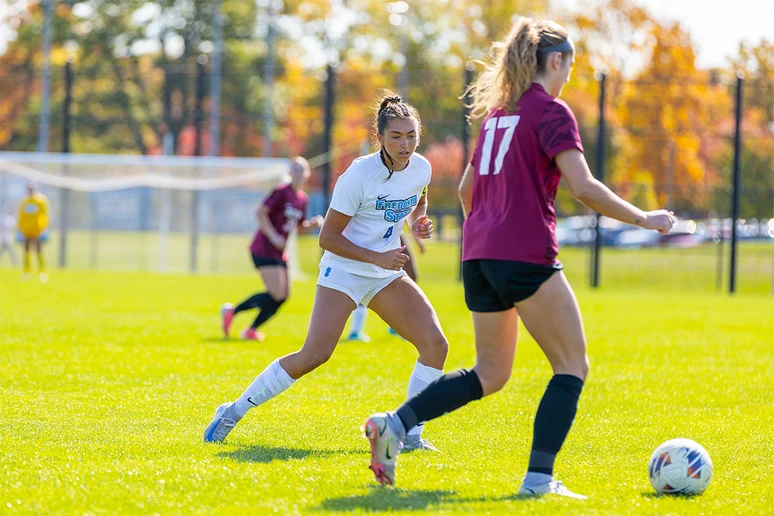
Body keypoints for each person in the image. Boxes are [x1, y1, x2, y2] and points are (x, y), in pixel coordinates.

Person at [363, 18, 676, 494]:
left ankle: (394, 423)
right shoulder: (551, 111)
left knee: (489, 373)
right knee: (572, 365)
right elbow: (583, 186)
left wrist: (486, 233)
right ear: (556, 61)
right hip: (525, 253)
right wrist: (644, 218)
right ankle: (538, 480)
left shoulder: (497, 115)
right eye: (569, 66)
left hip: (479, 257)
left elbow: (467, 190)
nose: (569, 75)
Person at [205, 93, 449, 451]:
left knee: (435, 345)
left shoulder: (421, 168)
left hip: (384, 273)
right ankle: (232, 411)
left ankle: (411, 435)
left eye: (411, 135)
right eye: (396, 136)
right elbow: (328, 238)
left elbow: (418, 201)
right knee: (314, 354)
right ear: (380, 137)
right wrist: (377, 257)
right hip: (345, 270)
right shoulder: (359, 175)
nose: (405, 144)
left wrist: (419, 222)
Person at [220, 157, 323, 341]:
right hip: (263, 248)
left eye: (302, 170)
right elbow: (260, 213)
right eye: (295, 170)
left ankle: (251, 329)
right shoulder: (281, 192)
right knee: (276, 293)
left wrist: (312, 225)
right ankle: (232, 311)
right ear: (290, 173)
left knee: (283, 296)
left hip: (278, 252)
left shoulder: (302, 198)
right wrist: (274, 236)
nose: (298, 174)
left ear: (308, 174)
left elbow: (299, 228)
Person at [345, 230, 424, 342]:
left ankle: (397, 324)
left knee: (410, 275)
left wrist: (417, 236)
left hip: (393, 231)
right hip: (372, 232)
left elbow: (407, 218)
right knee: (366, 276)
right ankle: (355, 331)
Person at [17, 182, 50, 282]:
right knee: (26, 251)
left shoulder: (41, 201)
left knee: (39, 251)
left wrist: (44, 228)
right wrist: (20, 229)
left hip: (38, 230)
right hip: (27, 230)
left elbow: (44, 215)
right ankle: (27, 272)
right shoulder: (24, 202)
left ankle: (42, 272)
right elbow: (21, 216)